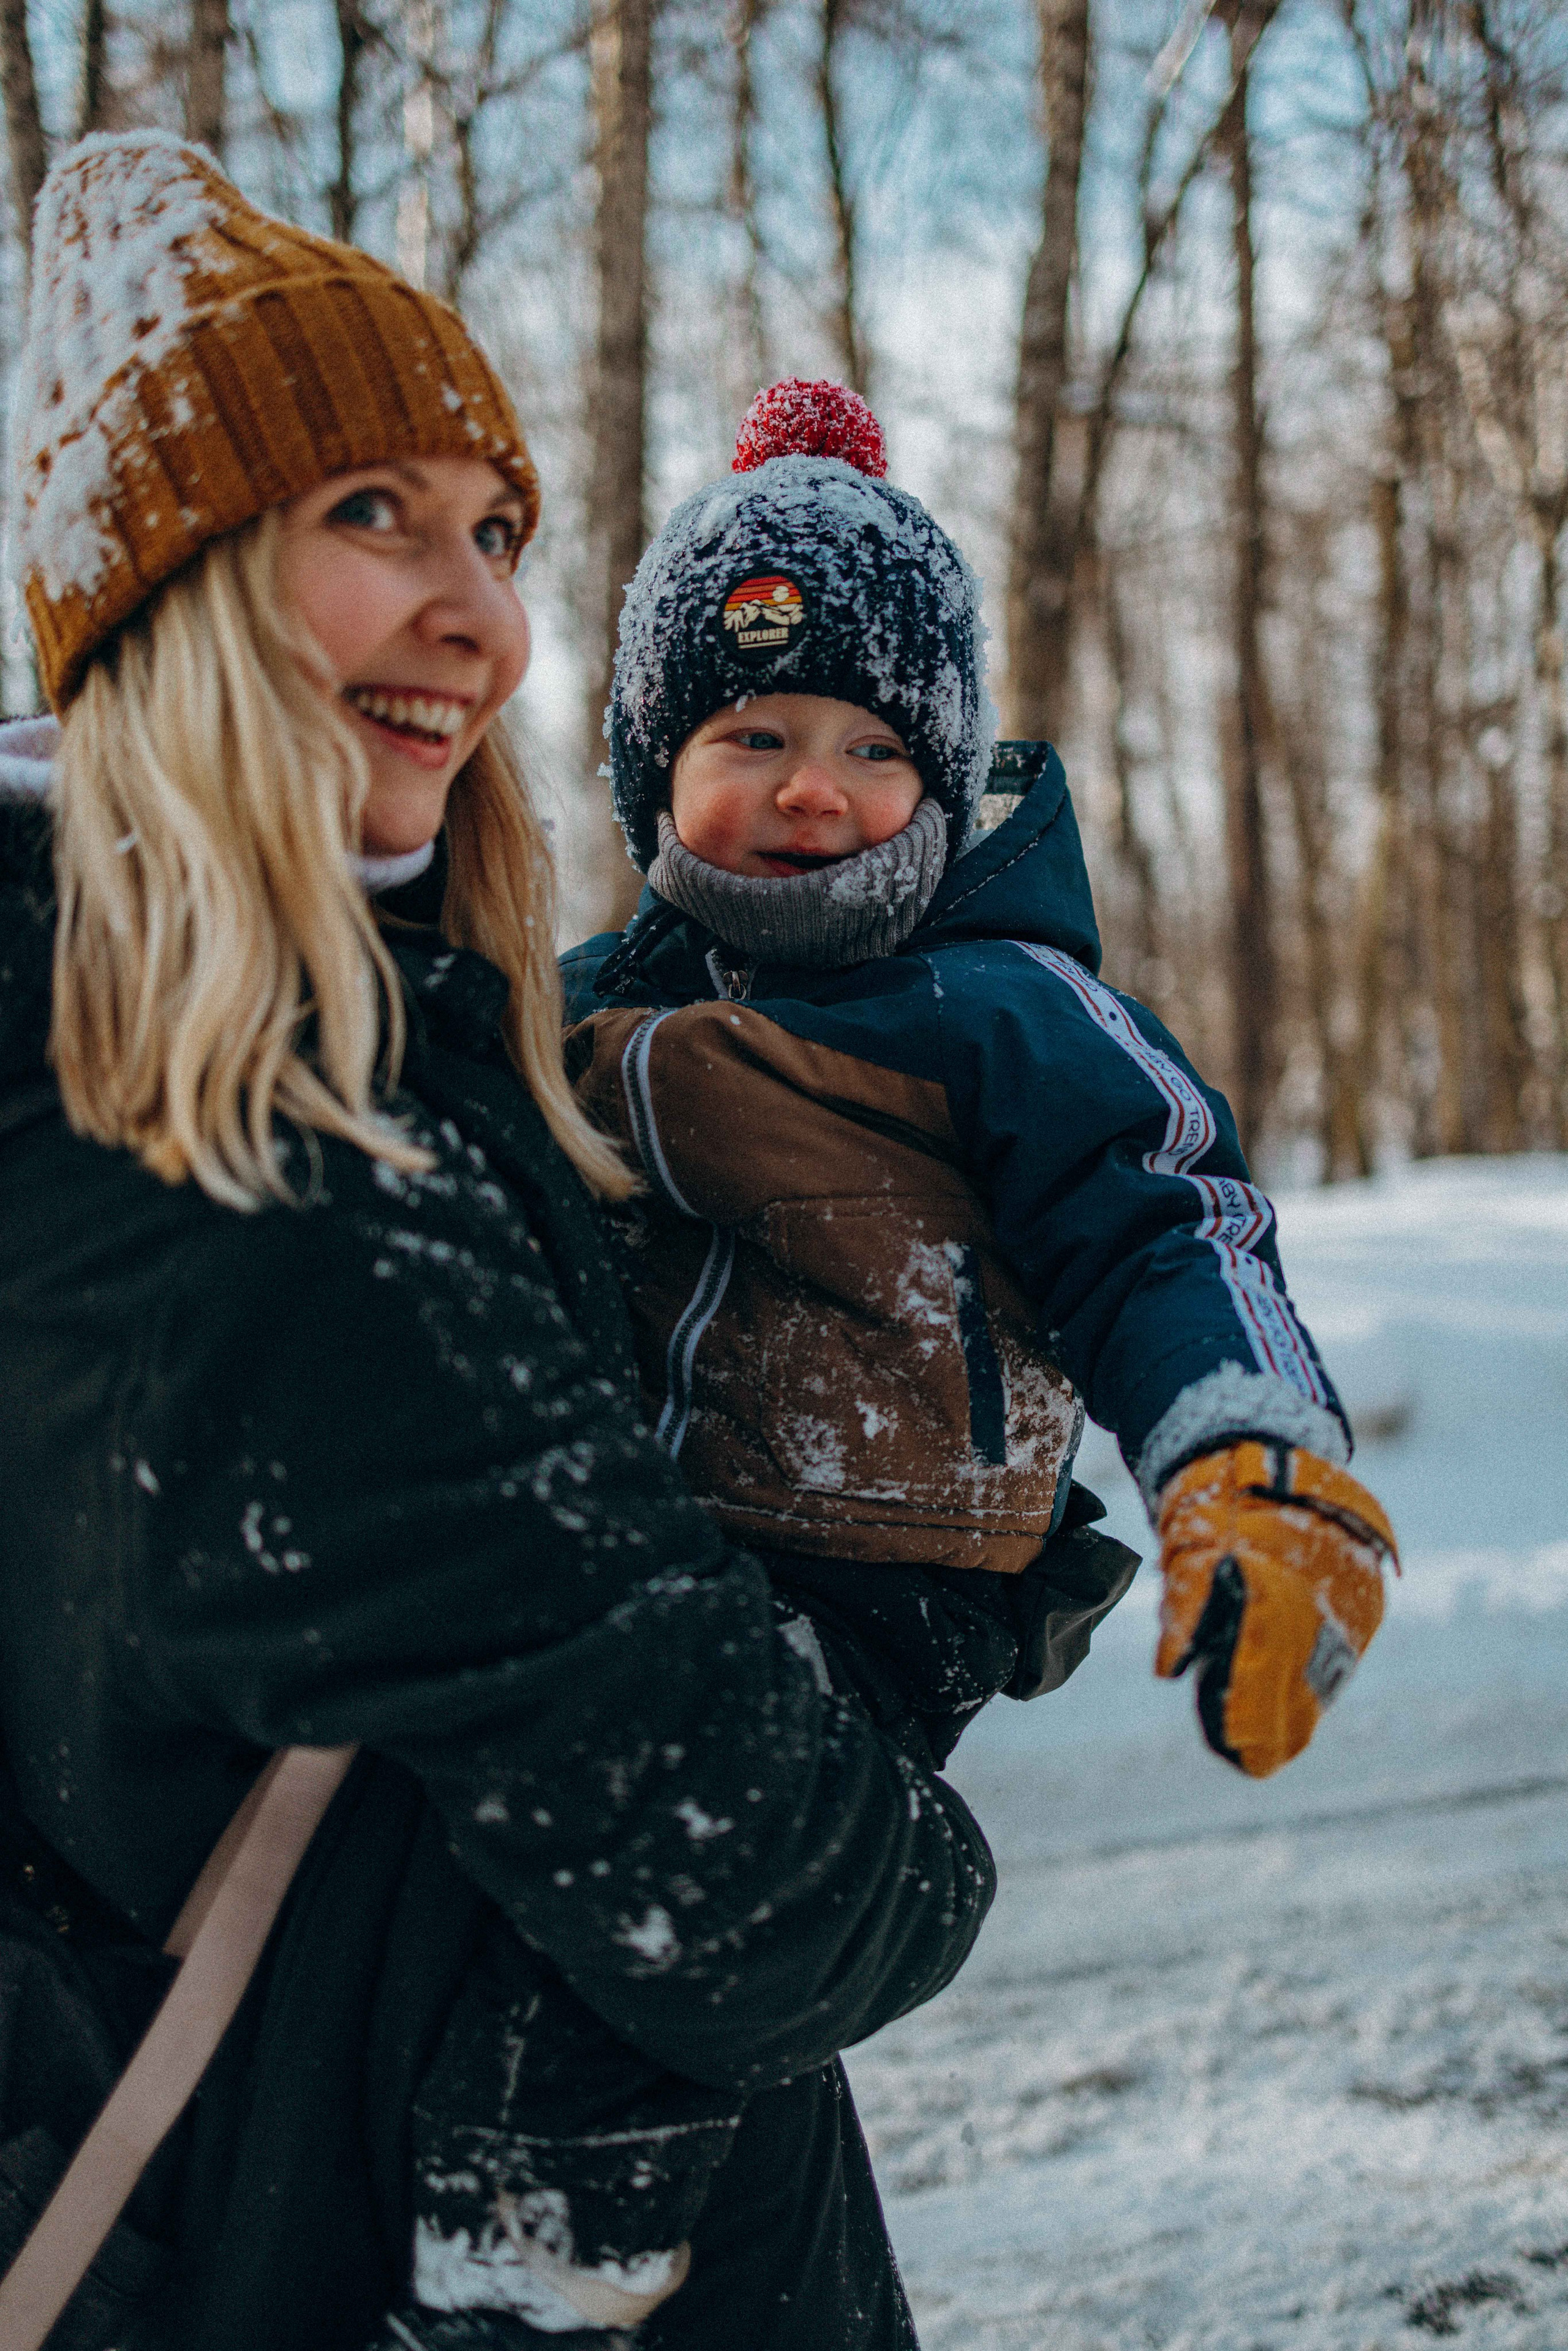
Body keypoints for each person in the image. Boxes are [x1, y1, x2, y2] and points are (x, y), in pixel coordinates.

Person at [0, 138, 999, 2351]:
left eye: (496, 530)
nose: (483, 616)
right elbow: (789, 1879)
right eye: (373, 515)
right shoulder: (267, 1183)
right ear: (161, 587)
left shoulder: (110, 1052)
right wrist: (919, 1642)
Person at [562, 377, 1398, 1784]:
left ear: (942, 782)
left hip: (878, 1579)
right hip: (620, 1540)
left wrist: (1240, 1449)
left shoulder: (1000, 1004)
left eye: (872, 748)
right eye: (752, 736)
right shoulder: (590, 1001)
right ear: (656, 765)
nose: (810, 789)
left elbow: (1160, 1221)